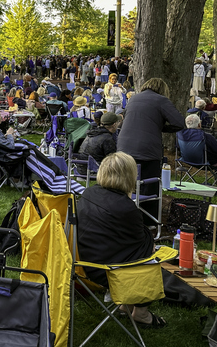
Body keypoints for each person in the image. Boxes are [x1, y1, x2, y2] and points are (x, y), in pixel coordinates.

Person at [76, 152, 165, 328]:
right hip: (106, 270)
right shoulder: (126, 208)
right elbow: (143, 241)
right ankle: (142, 314)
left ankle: (125, 306)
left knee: (140, 250)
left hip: (83, 260)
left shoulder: (89, 193)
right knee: (150, 256)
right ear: (129, 176)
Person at [117, 78, 184, 222]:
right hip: (146, 149)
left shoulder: (133, 99)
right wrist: (160, 127)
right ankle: (149, 221)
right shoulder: (161, 100)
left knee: (124, 184)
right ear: (163, 90)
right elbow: (179, 122)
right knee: (149, 186)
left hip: (124, 146)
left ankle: (122, 216)